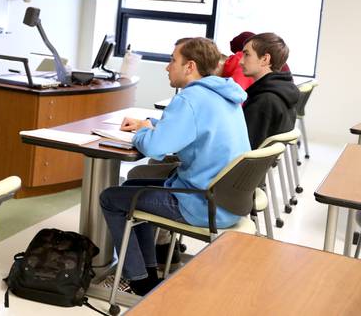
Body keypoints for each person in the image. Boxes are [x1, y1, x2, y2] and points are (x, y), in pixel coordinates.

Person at [99, 37, 250, 295]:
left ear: (189, 66)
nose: (167, 67)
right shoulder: (223, 94)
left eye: (172, 61)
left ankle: (135, 280)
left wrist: (142, 133)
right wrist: (153, 124)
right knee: (134, 187)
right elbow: (191, 128)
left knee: (111, 198)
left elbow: (154, 148)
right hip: (229, 200)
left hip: (201, 202)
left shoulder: (189, 99)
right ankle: (147, 273)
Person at [240, 32, 300, 149]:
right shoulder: (282, 92)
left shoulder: (263, 101)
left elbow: (243, 147)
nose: (240, 61)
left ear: (265, 59)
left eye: (247, 55)